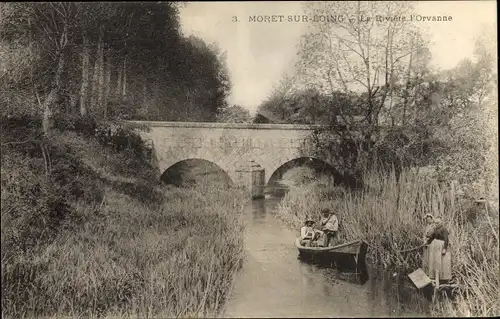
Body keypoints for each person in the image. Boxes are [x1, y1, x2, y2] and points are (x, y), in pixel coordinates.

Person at [422, 215, 452, 282]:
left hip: (441, 246)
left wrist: (444, 248)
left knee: (441, 261)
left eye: (438, 222)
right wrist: (427, 242)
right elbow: (432, 238)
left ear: (441, 222)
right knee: (434, 261)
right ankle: (433, 275)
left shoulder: (444, 229)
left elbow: (446, 239)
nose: (437, 224)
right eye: (436, 223)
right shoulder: (435, 229)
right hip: (434, 247)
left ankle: (442, 277)